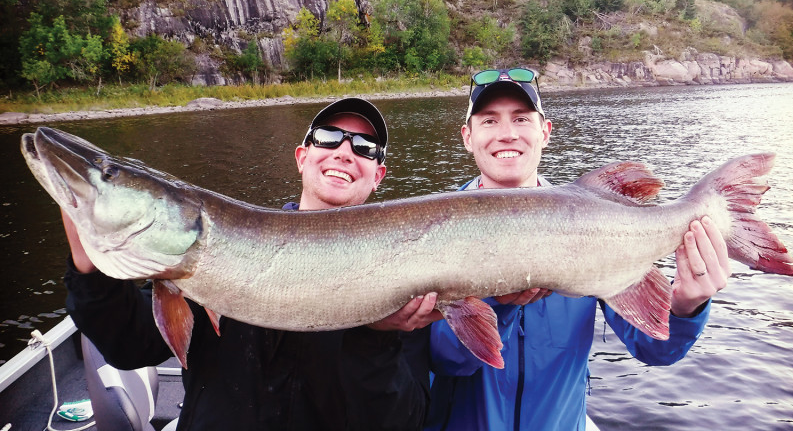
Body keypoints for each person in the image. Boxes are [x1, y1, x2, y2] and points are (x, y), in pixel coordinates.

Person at [63, 97, 439, 430]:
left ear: (378, 176)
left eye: (365, 146)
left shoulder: (406, 273)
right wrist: (90, 273)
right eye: (327, 137)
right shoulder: (209, 249)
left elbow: (404, 419)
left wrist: (376, 338)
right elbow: (130, 346)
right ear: (302, 158)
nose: (344, 151)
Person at [425, 68, 731, 431]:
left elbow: (655, 349)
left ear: (545, 132)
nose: (507, 133)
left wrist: (684, 308)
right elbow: (445, 361)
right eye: (489, 120)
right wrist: (496, 302)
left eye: (521, 118)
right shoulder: (427, 230)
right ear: (467, 137)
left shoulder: (596, 218)